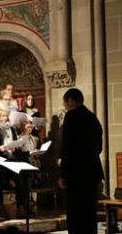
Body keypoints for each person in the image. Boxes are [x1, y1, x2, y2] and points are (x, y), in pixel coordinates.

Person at [59, 88, 103, 234]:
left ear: (71, 100)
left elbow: (67, 148)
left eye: (65, 103)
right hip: (92, 172)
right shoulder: (92, 117)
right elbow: (99, 147)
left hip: (75, 174)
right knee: (90, 212)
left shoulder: (71, 117)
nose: (65, 106)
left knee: (75, 214)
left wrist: (62, 174)